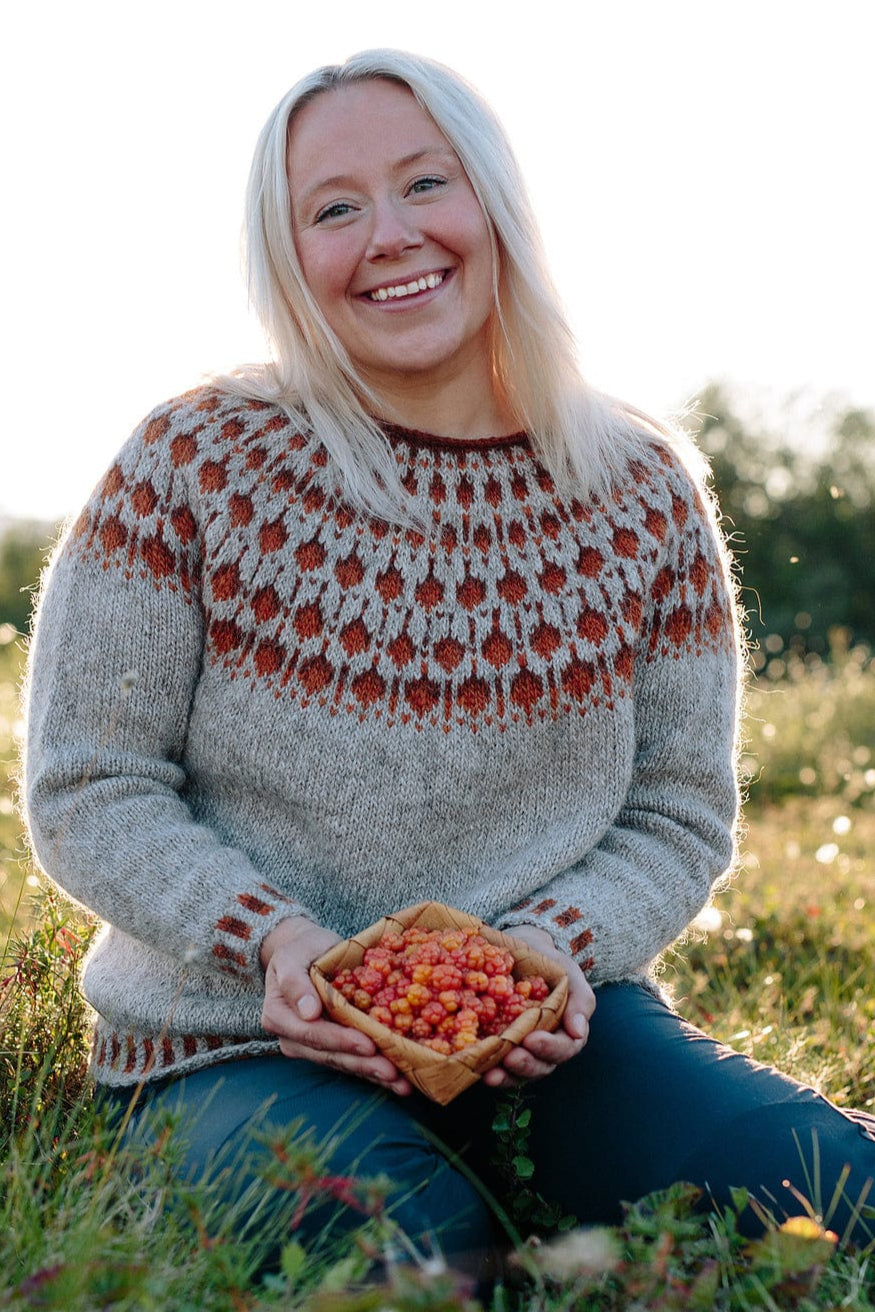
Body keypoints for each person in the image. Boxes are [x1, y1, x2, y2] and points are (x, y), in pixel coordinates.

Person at [24, 48, 875, 1278]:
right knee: (398, 1258)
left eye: (426, 183)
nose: (389, 234)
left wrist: (554, 945)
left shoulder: (638, 492)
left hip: (554, 1031)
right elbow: (90, 782)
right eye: (333, 208)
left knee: (831, 1188)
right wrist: (271, 938)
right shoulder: (193, 463)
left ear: (493, 202)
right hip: (232, 1038)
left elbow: (677, 808)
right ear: (285, 254)